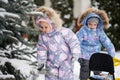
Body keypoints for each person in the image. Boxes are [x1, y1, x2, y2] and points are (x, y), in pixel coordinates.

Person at [34, 6, 81, 80]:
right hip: (51, 62)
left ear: (52, 23)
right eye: (41, 27)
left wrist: (76, 54)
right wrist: (41, 62)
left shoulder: (64, 32)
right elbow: (41, 49)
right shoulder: (42, 36)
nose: (44, 29)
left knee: (66, 77)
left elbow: (74, 42)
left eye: (46, 27)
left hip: (66, 61)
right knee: (50, 77)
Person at [76, 7, 116, 80]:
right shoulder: (83, 31)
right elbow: (76, 42)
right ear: (86, 23)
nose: (92, 26)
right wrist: (78, 55)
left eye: (95, 24)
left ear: (98, 24)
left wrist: (111, 54)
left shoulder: (99, 31)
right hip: (85, 54)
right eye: (90, 24)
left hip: (96, 54)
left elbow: (106, 41)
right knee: (85, 69)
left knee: (98, 69)